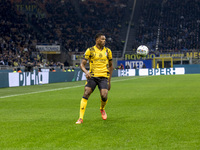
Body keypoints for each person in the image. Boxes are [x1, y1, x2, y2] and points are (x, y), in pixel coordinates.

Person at [76, 33, 113, 124]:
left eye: (105, 39)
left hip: (104, 77)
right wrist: (86, 72)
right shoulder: (90, 50)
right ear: (97, 40)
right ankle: (80, 118)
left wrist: (109, 80)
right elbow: (82, 65)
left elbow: (111, 66)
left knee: (104, 95)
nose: (104, 41)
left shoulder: (108, 51)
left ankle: (102, 109)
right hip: (92, 76)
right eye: (102, 39)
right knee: (86, 92)